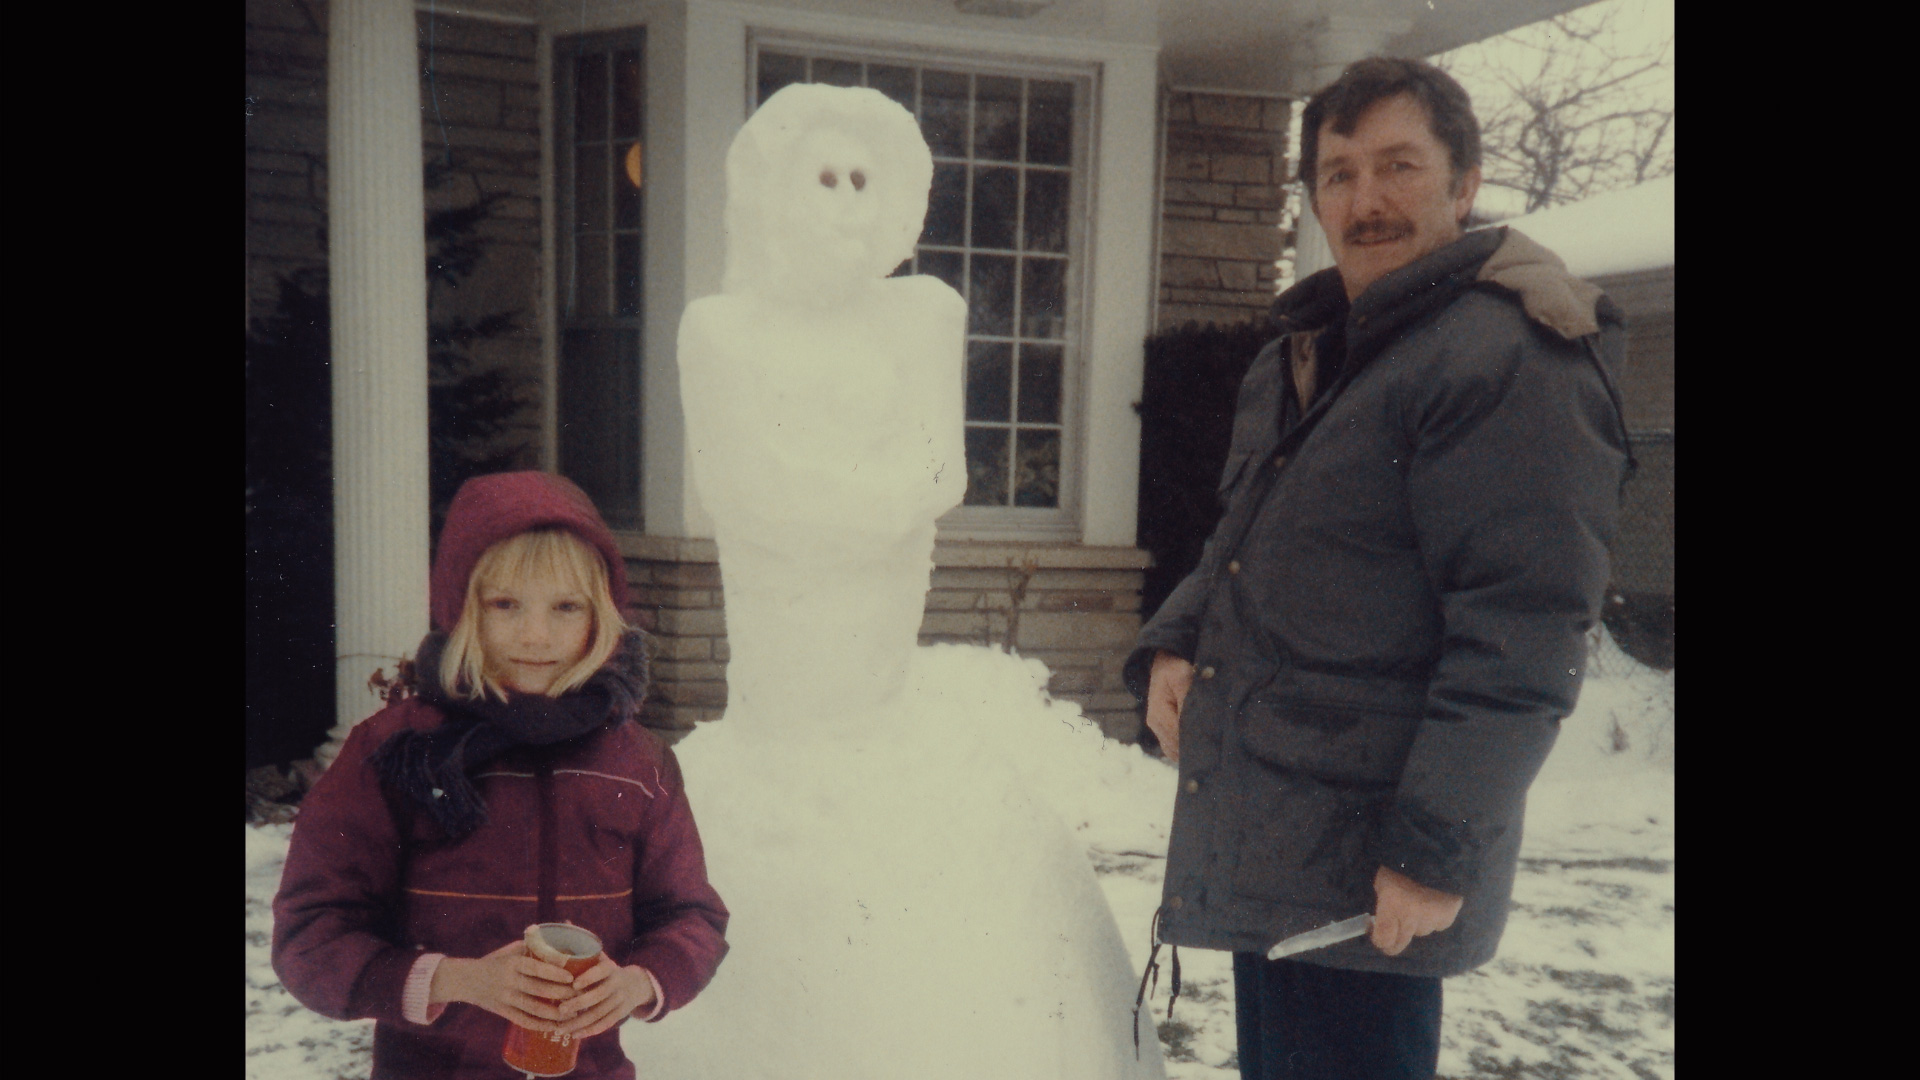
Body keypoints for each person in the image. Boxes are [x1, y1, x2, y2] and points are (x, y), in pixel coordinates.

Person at [1126, 57, 1633, 1080]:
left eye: (1399, 165)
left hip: (1374, 852)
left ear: (1465, 179)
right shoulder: (1307, 351)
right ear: (1313, 195)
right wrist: (1174, 640)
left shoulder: (1505, 357)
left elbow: (1523, 634)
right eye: (1340, 173)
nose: (1367, 199)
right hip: (1280, 828)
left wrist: (1434, 852)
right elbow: (1239, 539)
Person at [273, 471, 730, 1079]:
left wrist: (640, 983)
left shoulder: (639, 763)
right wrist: (459, 979)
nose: (535, 635)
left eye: (565, 607)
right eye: (505, 604)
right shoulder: (395, 754)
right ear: (462, 608)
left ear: (601, 617)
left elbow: (691, 915)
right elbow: (311, 938)